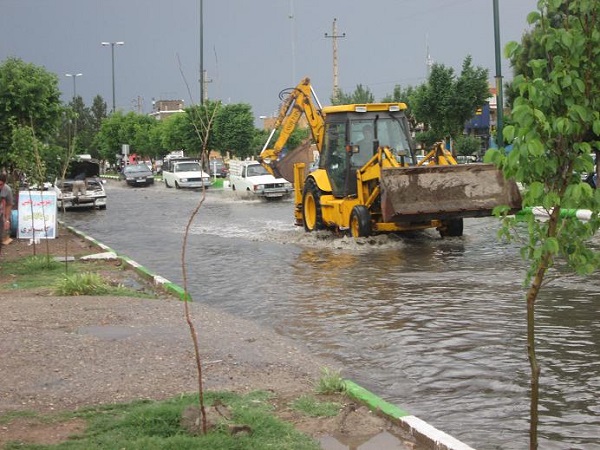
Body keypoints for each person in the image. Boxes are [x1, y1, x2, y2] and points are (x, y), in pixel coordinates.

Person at [0, 173, 14, 246]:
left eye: (1, 185)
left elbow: (9, 204)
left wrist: (7, 219)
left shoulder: (7, 189)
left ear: (4, 183)